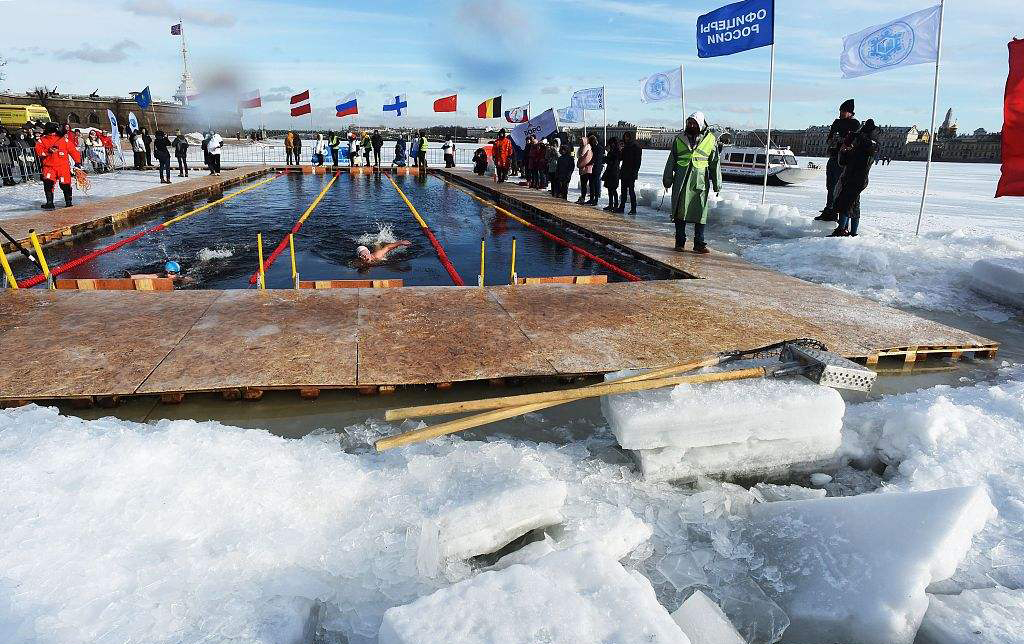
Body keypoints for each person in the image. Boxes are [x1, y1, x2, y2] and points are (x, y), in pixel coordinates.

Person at [663, 112, 721, 254]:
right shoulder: (679, 139)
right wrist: (667, 179)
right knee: (680, 212)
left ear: (700, 124)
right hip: (681, 181)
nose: (691, 125)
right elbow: (671, 161)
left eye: (694, 123)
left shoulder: (710, 140)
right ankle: (680, 242)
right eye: (689, 122)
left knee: (701, 212)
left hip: (700, 182)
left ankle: (699, 243)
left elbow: (715, 163)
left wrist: (717, 183)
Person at [829, 119, 878, 238]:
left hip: (857, 180)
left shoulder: (869, 146)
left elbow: (868, 149)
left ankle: (842, 230)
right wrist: (844, 151)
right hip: (851, 178)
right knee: (852, 205)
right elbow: (844, 162)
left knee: (845, 204)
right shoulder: (859, 148)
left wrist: (858, 138)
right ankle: (852, 232)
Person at [815, 99, 860, 222]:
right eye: (840, 111)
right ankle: (829, 210)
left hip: (844, 160)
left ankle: (836, 211)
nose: (841, 113)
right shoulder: (836, 122)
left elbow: (854, 141)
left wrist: (843, 141)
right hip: (834, 156)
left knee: (839, 187)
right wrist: (833, 140)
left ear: (850, 112)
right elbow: (830, 137)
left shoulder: (855, 124)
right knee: (830, 186)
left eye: (844, 111)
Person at [34, 121, 82, 209]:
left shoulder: (63, 140)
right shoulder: (43, 140)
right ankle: (50, 202)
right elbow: (39, 152)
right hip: (49, 167)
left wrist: (77, 162)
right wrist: (48, 151)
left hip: (62, 166)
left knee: (65, 184)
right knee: (49, 184)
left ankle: (67, 202)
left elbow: (73, 151)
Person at [618, 130, 642, 214]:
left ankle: (633, 208)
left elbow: (638, 161)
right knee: (623, 190)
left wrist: (635, 172)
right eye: (625, 136)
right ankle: (622, 207)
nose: (626, 138)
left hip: (631, 172)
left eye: (627, 136)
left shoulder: (636, 146)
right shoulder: (626, 146)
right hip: (624, 170)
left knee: (631, 191)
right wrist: (620, 150)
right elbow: (621, 158)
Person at [602, 137, 621, 212]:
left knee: (613, 189)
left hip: (614, 172)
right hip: (610, 171)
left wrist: (607, 158)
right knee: (610, 189)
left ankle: (615, 205)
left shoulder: (616, 152)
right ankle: (610, 204)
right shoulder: (613, 151)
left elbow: (613, 161)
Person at [575, 135, 593, 204]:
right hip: (583, 169)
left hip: (586, 168)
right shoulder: (582, 148)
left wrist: (579, 165)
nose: (580, 142)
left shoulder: (587, 148)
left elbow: (585, 159)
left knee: (584, 184)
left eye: (581, 141)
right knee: (583, 184)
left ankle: (583, 198)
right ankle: (582, 197)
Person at [588, 134, 604, 206]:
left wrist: (592, 161)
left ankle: (596, 199)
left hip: (597, 168)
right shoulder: (592, 148)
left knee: (596, 183)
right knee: (591, 183)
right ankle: (591, 198)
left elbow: (598, 159)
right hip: (592, 167)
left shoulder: (599, 148)